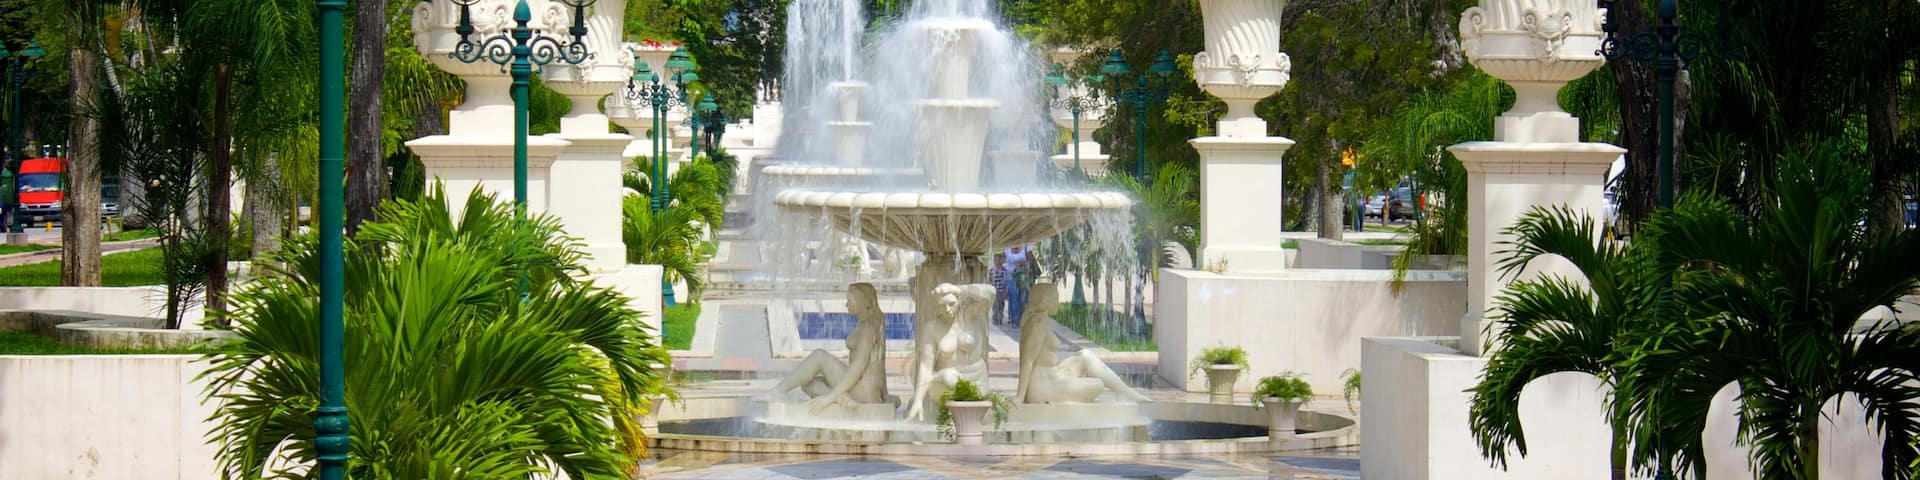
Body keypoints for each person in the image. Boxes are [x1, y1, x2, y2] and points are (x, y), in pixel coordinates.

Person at [764, 283, 892, 412]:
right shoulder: (872, 323)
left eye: (850, 300)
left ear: (864, 301)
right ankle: (841, 399)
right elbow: (880, 363)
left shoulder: (868, 328)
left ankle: (779, 391)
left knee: (819, 356)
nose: (846, 304)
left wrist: (829, 398)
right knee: (808, 383)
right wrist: (885, 395)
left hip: (862, 391)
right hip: (868, 392)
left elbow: (858, 365)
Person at [1017, 284, 1151, 404]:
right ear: (1046, 301)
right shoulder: (1037, 325)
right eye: (1055, 299)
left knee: (1085, 355)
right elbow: (1027, 361)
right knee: (1098, 385)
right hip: (1043, 389)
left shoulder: (1041, 321)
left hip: (1053, 377)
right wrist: (1019, 397)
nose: (1058, 303)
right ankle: (1123, 392)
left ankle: (1123, 391)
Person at [904, 283, 993, 421]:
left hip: (977, 378)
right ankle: (952, 422)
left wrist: (960, 289)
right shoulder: (932, 328)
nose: (947, 309)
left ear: (959, 301)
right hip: (946, 381)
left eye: (951, 303)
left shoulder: (971, 315)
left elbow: (990, 293)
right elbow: (926, 366)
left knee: (978, 419)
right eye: (942, 305)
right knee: (948, 377)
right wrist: (918, 400)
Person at [1004, 245, 1031, 326]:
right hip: (1009, 276)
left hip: (1022, 276)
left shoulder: (1027, 247)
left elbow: (1030, 261)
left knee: (1022, 298)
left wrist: (1020, 263)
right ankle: (1013, 319)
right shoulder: (1007, 248)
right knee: (1012, 298)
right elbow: (1001, 260)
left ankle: (1018, 320)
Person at [990, 253, 1009, 324]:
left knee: (1001, 304)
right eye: (996, 260)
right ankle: (995, 318)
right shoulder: (991, 270)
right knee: (995, 304)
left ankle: (1000, 317)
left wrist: (1006, 291)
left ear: (1001, 261)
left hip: (1002, 290)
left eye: (999, 260)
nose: (997, 261)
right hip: (994, 291)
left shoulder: (1004, 270)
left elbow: (1007, 282)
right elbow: (990, 280)